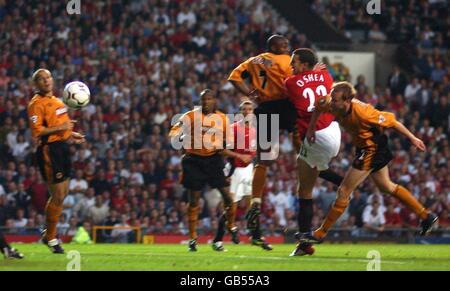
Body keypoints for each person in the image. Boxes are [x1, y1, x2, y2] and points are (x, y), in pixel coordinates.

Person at [228, 35, 342, 249]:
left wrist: (250, 93)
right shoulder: (282, 61)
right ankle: (324, 171)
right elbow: (297, 80)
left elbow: (233, 78)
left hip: (265, 109)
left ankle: (256, 201)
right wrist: (315, 73)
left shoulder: (252, 61)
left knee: (263, 160)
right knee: (302, 150)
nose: (288, 49)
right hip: (287, 106)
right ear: (274, 46)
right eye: (284, 45)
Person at [301, 81, 438, 246]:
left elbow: (393, 121)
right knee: (386, 187)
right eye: (332, 97)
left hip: (372, 149)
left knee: (344, 190)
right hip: (364, 147)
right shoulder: (330, 103)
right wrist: (310, 129)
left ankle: (321, 233)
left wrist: (412, 138)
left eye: (335, 99)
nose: (332, 101)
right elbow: (319, 108)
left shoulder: (364, 113)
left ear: (347, 101)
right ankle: (426, 216)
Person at [169, 89, 249, 252]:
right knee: (194, 201)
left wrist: (228, 148)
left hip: (213, 160)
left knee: (228, 196)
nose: (206, 102)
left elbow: (229, 140)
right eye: (203, 99)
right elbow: (174, 131)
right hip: (193, 160)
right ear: (200, 101)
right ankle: (192, 238)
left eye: (209, 99)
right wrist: (179, 138)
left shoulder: (222, 119)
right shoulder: (190, 116)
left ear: (214, 101)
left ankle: (231, 225)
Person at [284, 48, 341, 256]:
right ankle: (303, 243)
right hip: (334, 130)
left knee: (304, 190)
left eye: (295, 62)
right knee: (313, 167)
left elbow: (288, 83)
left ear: (305, 65)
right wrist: (313, 73)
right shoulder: (325, 75)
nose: (291, 66)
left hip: (315, 134)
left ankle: (304, 242)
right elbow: (317, 83)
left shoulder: (290, 82)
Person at [27, 69, 85, 254]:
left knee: (63, 193)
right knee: (58, 194)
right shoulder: (36, 104)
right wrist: (61, 127)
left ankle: (49, 234)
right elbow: (37, 131)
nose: (46, 81)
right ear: (36, 84)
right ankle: (50, 236)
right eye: (41, 79)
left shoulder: (59, 101)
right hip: (48, 151)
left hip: (62, 148)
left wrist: (70, 134)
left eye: (48, 77)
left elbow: (63, 127)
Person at [212, 100, 256, 251]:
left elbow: (252, 153)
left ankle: (255, 235)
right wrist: (239, 156)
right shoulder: (233, 129)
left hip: (248, 170)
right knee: (231, 206)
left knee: (254, 203)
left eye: (249, 109)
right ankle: (219, 238)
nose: (247, 112)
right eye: (244, 109)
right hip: (234, 170)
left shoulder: (255, 130)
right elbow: (222, 150)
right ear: (240, 112)